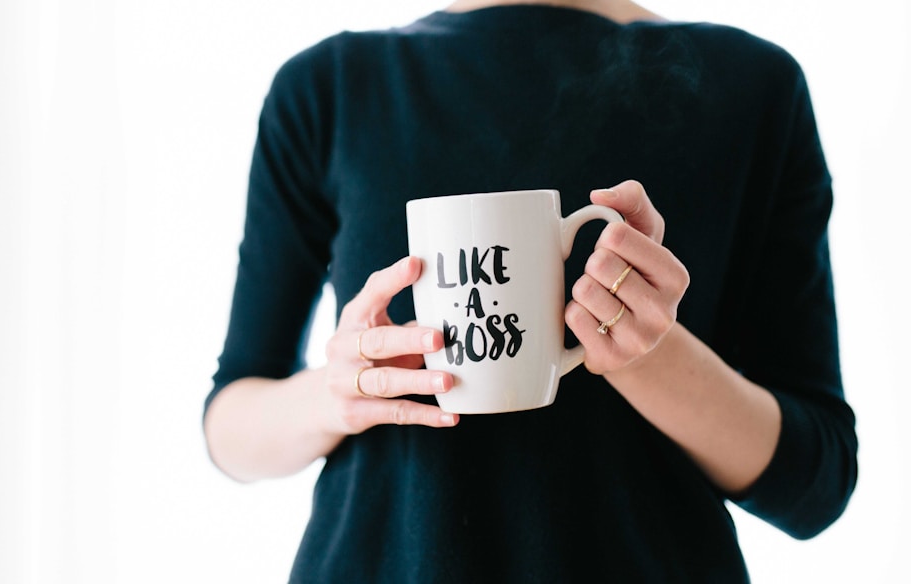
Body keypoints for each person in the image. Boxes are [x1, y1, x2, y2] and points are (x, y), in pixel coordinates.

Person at [203, 0, 858, 580]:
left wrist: (648, 356)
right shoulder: (329, 89)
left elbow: (815, 483)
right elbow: (229, 425)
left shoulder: (751, 87)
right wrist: (337, 392)